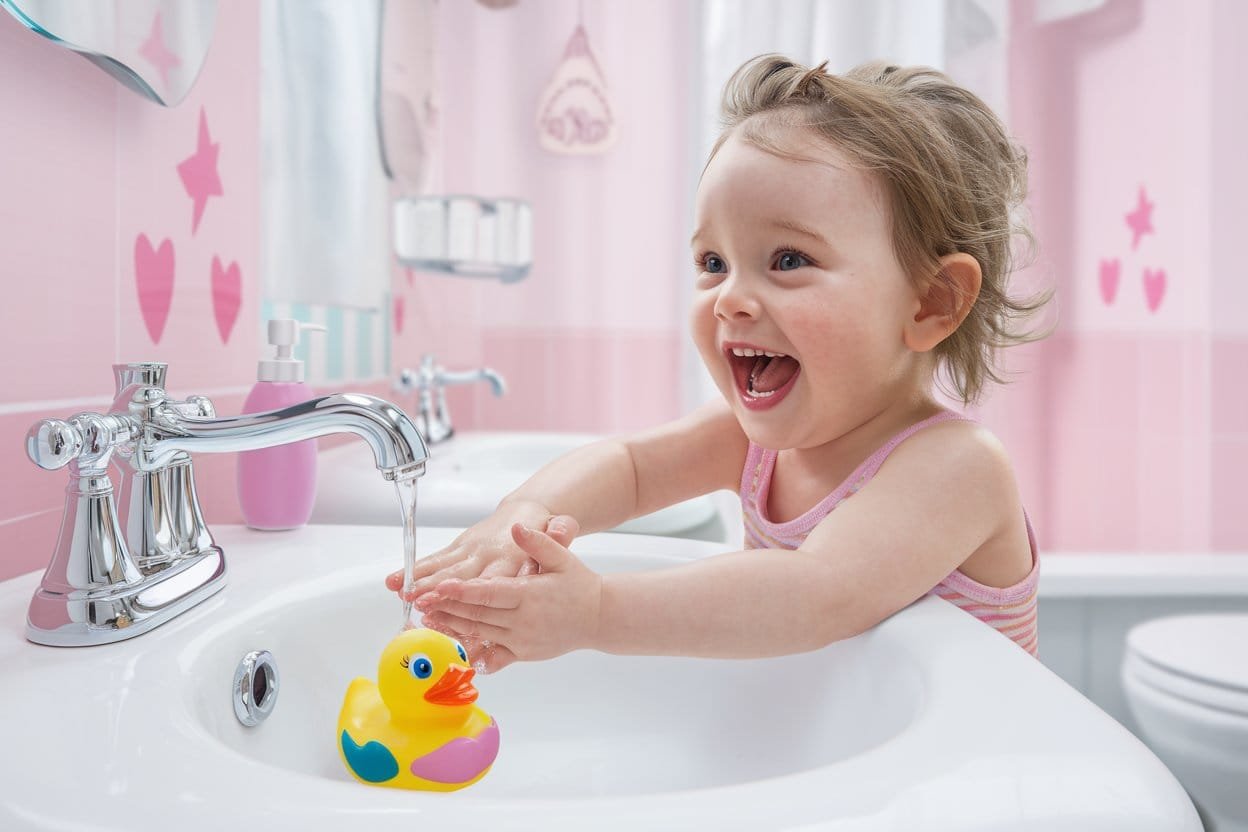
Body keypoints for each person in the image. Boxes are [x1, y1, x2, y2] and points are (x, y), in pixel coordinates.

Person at [385, 54, 1052, 673]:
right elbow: (631, 466)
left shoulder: (958, 468)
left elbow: (813, 594)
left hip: (980, 782)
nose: (730, 298)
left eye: (788, 260)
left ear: (932, 302)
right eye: (712, 263)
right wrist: (523, 516)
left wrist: (594, 614)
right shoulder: (755, 442)